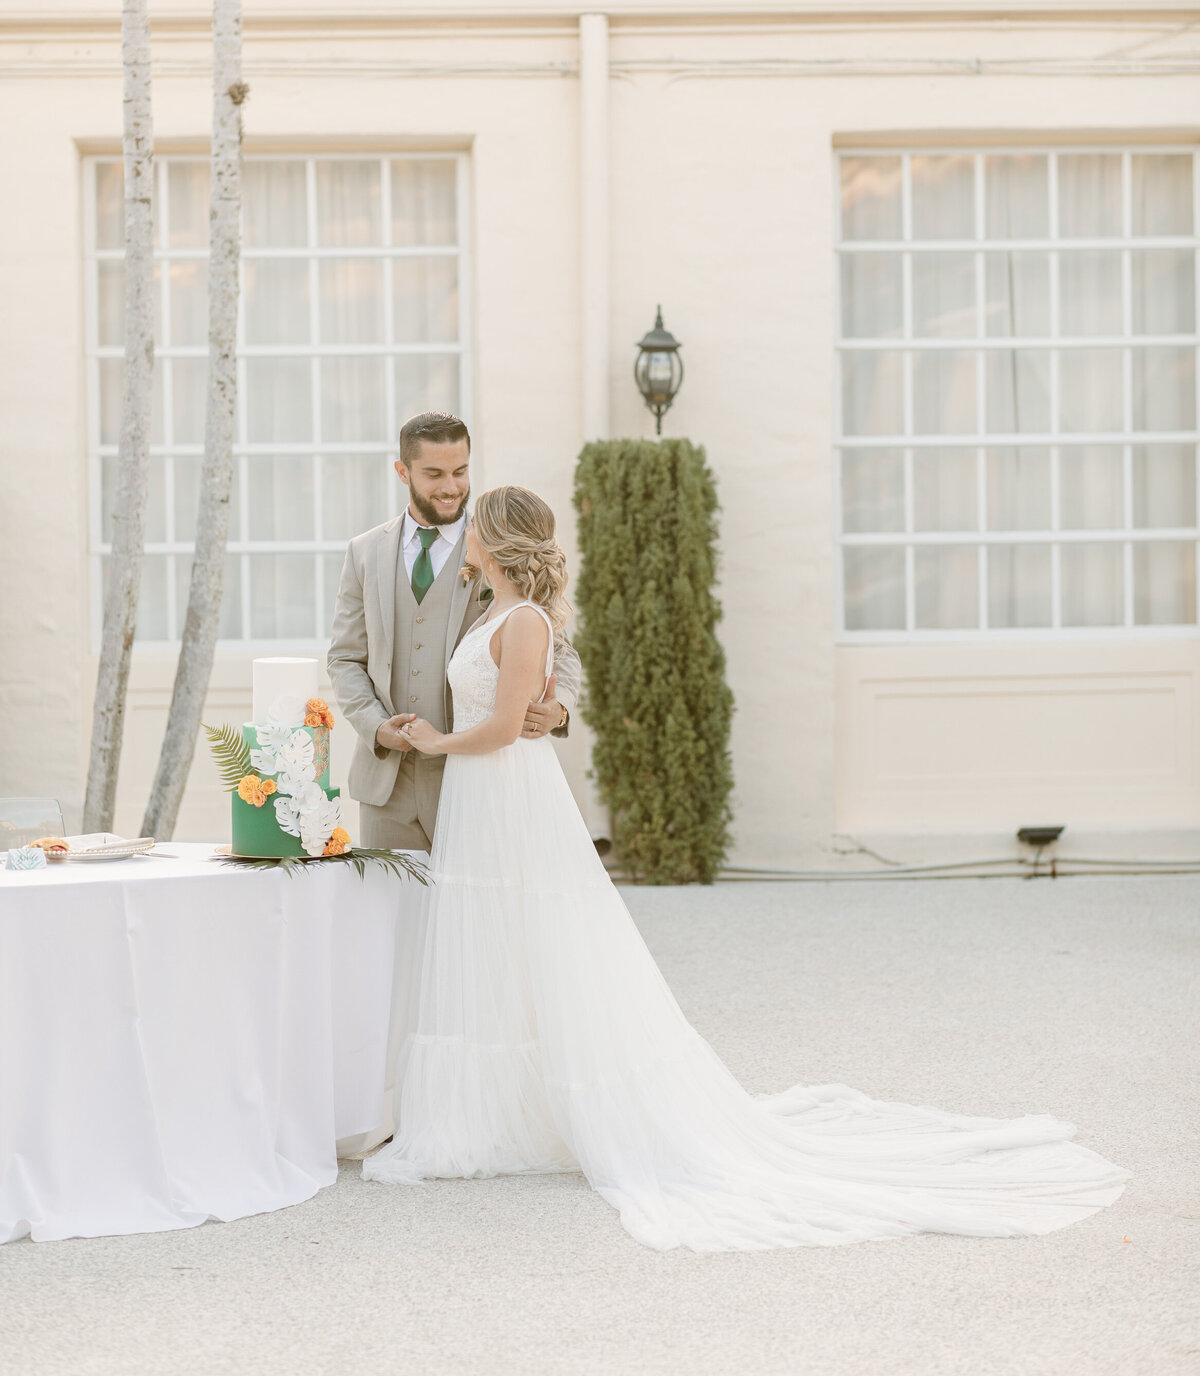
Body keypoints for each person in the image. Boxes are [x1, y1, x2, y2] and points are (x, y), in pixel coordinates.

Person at [362, 484, 1129, 1252]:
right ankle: (499, 1114)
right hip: (483, 801)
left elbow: (504, 725)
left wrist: (436, 741)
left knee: (547, 943)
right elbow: (534, 701)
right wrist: (530, 714)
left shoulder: (522, 620)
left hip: (509, 799)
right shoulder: (493, 611)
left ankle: (556, 1111)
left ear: (492, 541)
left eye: (471, 528)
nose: (459, 536)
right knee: (497, 948)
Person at [328, 412, 581, 853]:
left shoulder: (497, 545)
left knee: (470, 916)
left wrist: (559, 708)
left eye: (461, 471)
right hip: (386, 785)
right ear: (403, 472)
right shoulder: (364, 552)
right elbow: (345, 658)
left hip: (472, 777)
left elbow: (557, 647)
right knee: (390, 918)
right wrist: (376, 727)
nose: (451, 486)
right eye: (434, 474)